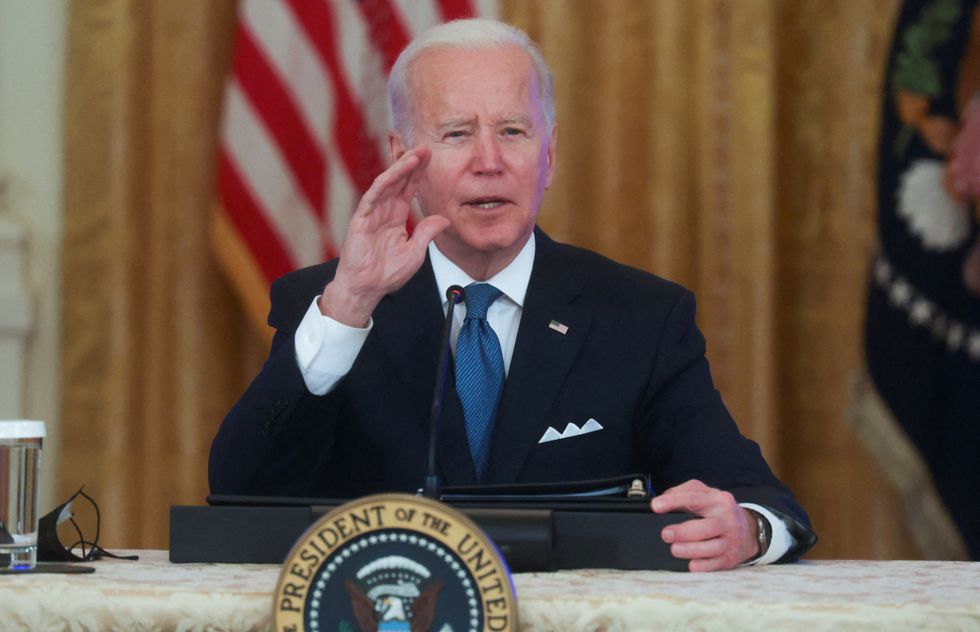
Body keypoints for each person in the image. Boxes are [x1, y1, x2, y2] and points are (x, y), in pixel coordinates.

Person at [209, 19, 815, 571]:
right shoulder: (330, 304)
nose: (489, 161)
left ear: (548, 155)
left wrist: (749, 532)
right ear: (402, 160)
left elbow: (758, 499)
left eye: (513, 131)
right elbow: (240, 496)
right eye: (455, 133)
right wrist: (350, 306)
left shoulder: (640, 316)